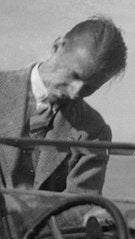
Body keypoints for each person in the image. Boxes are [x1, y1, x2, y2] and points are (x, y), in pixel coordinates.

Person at [0, 16, 127, 193]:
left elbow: (80, 205)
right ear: (57, 46)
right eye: (73, 75)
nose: (74, 92)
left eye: (89, 88)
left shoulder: (95, 131)